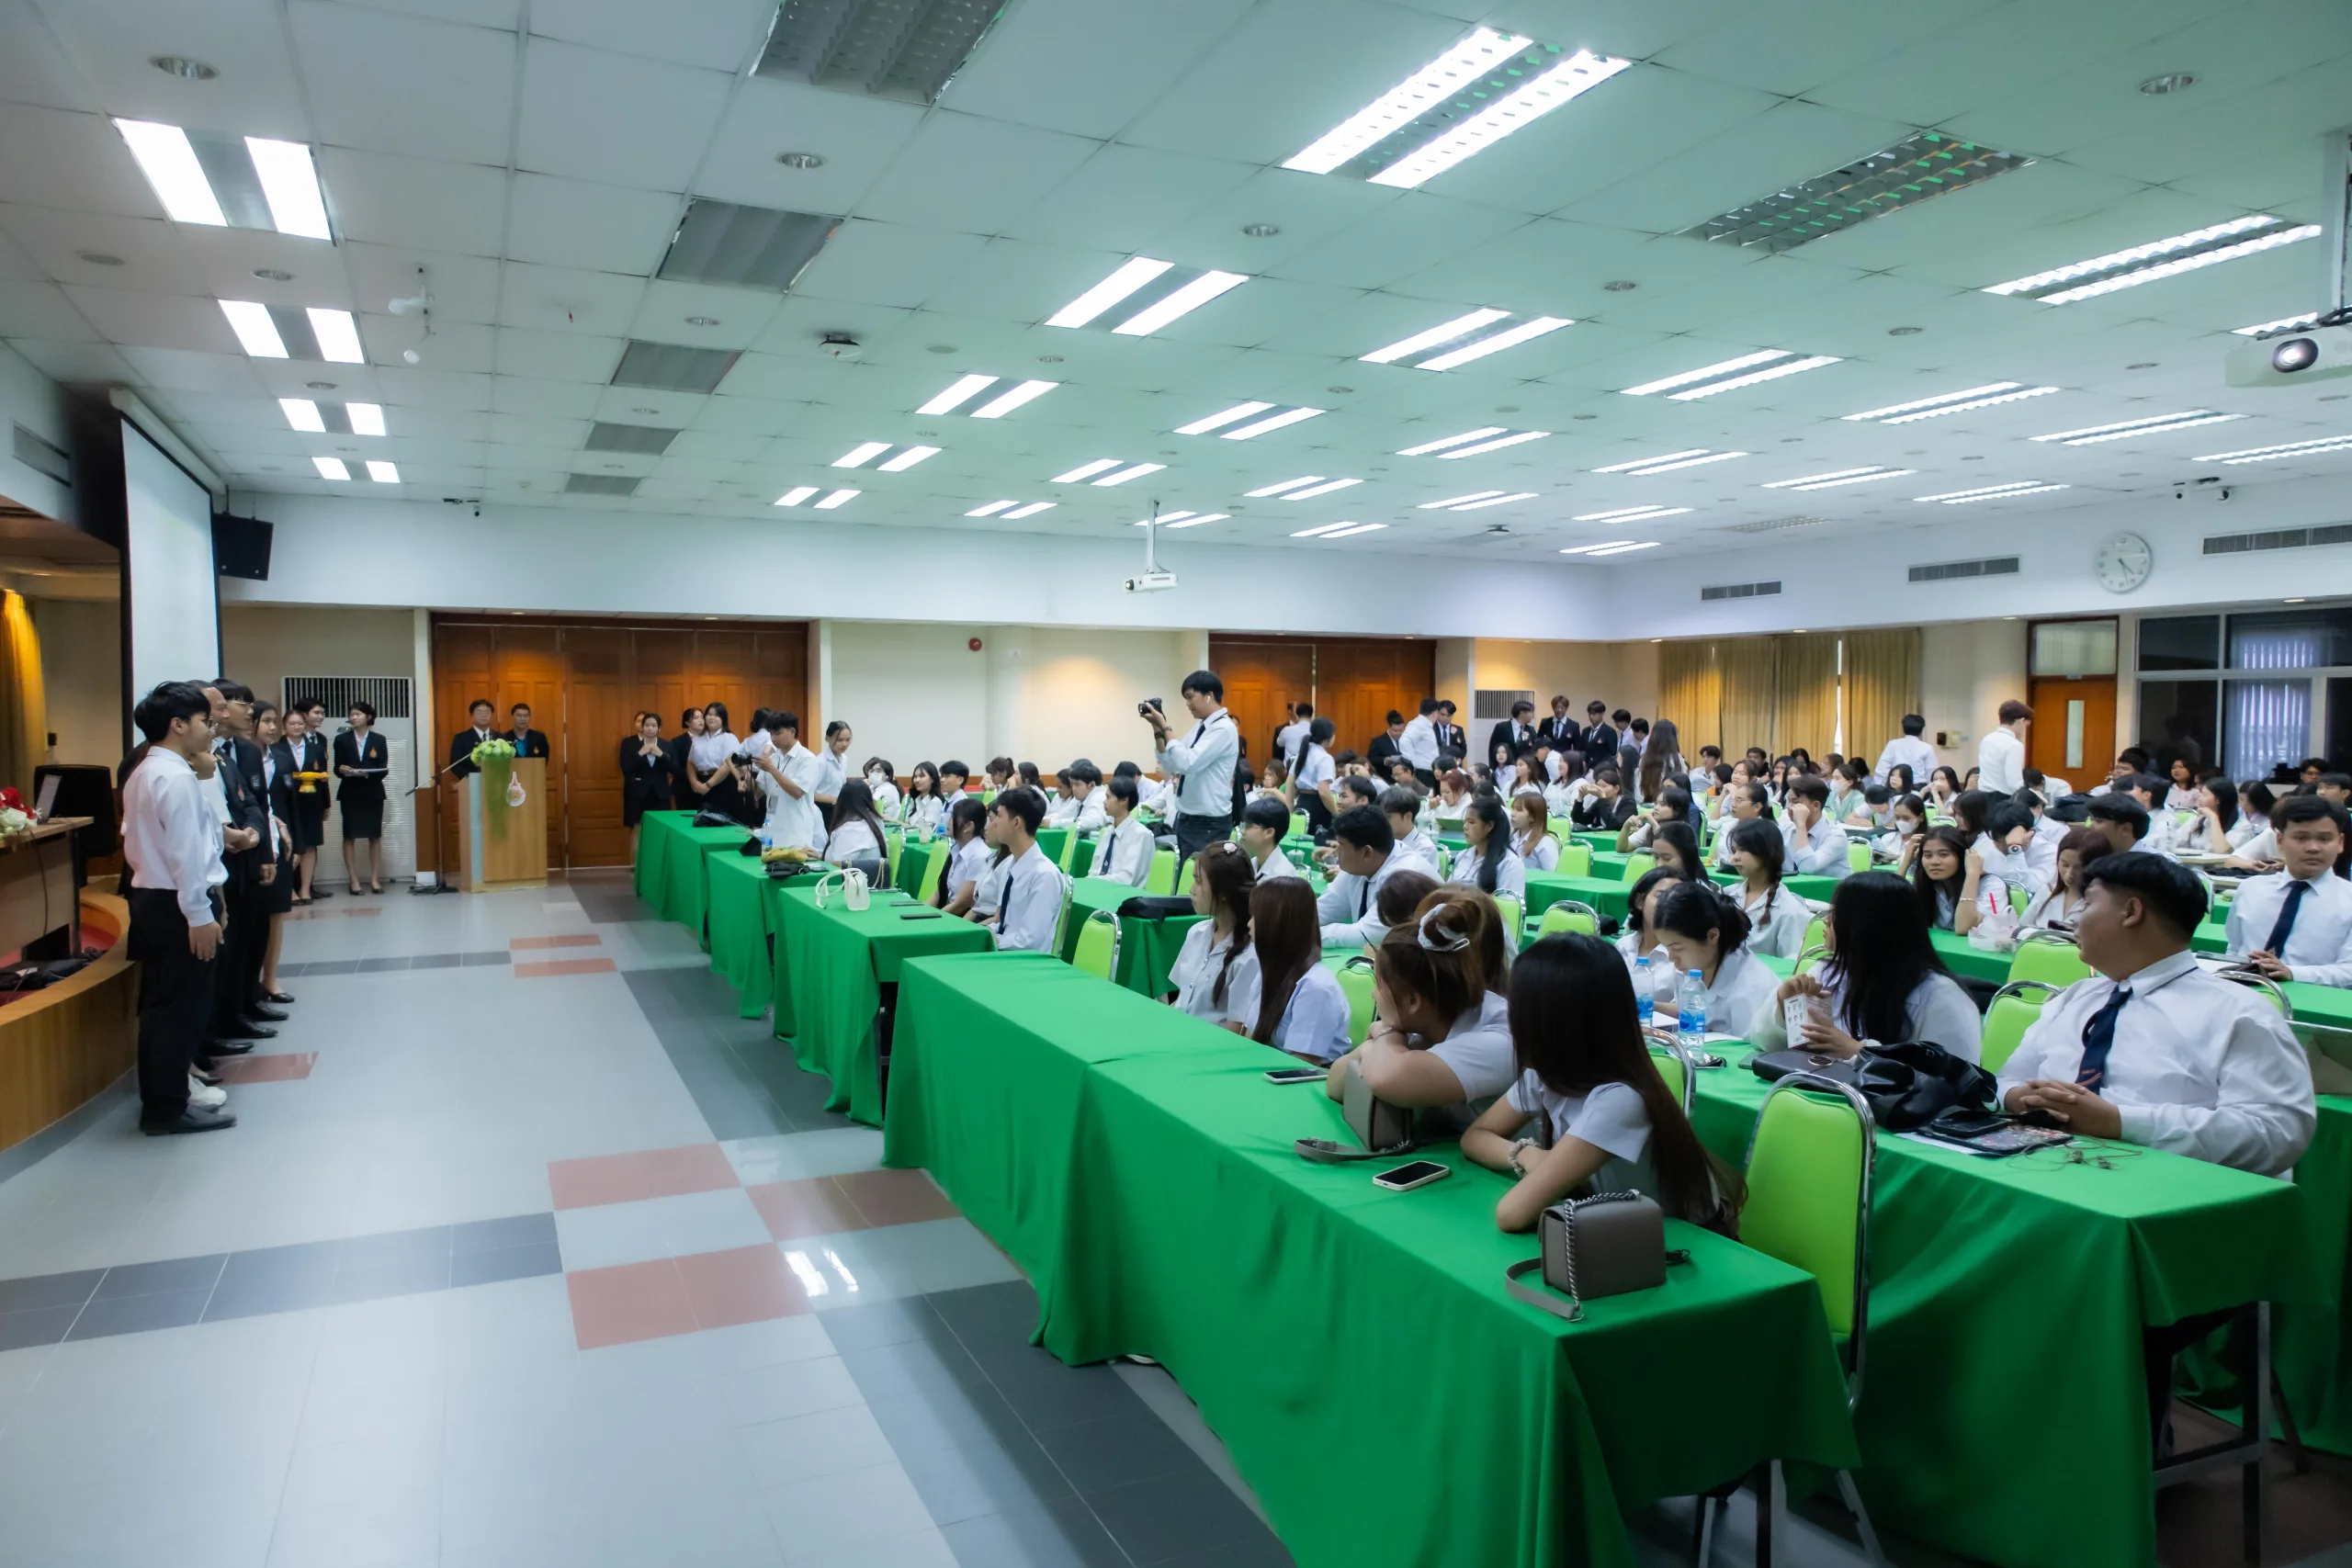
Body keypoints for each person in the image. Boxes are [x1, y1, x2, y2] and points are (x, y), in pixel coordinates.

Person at [1998, 850, 2312, 1172]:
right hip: (2043, 1167)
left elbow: (2276, 1132)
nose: (2075, 919)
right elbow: (2007, 1078)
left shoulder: (2239, 1012)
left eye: (2088, 904)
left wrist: (2118, 1122)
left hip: (2171, 1185)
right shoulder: (2077, 997)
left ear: (2131, 912)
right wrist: (2022, 1098)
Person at [1464, 932, 1739, 1233]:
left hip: (1684, 1245)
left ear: (1551, 1023)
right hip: (1618, 1232)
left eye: (1515, 1010)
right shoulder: (1548, 1072)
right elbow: (1475, 1136)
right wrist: (1528, 1155)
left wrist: (1537, 1163)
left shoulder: (1620, 1099)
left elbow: (1511, 1214)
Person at [122, 682, 235, 1134]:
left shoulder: (146, 770)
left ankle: (165, 1101)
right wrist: (200, 914)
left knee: (163, 1006)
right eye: (204, 721)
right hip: (176, 903)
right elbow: (186, 854)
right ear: (178, 725)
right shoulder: (175, 776)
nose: (210, 729)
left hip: (154, 899)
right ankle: (167, 1107)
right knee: (180, 1009)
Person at [1747, 872, 1983, 1062]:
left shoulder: (1941, 997)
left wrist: (1859, 1052)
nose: (1827, 921)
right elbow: (1765, 1042)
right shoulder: (1829, 971)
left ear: (1868, 927)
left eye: (1839, 914)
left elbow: (1955, 1080)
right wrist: (1784, 1005)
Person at [1328, 891, 1512, 1132]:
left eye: (1379, 986)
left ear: (1413, 1001)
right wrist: (1379, 1044)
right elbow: (1336, 1084)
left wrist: (1385, 1036)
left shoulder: (1497, 1037)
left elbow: (1383, 1078)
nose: (1373, 994)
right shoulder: (1426, 1018)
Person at [205, 680, 277, 1050]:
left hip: (247, 854)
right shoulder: (190, 761)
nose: (248, 711)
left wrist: (257, 840)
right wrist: (236, 835)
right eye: (234, 704)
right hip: (217, 864)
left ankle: (245, 1004)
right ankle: (222, 1021)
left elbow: (253, 802)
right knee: (227, 947)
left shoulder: (237, 753)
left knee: (250, 937)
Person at [2225, 795, 2352, 986]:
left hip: (2313, 999)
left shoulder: (2348, 900)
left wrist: (2292, 973)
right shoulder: (2250, 889)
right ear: (2280, 840)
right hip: (2245, 993)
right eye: (2301, 838)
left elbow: (2349, 970)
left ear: (2340, 842)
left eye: (2325, 839)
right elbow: (2234, 949)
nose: (2313, 848)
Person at [1230, 879, 1351, 1062]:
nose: (1249, 923)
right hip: (1266, 1065)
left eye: (1257, 916)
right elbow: (1250, 1037)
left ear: (1278, 922)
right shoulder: (1268, 972)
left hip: (1300, 1074)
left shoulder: (1316, 989)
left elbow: (1302, 1066)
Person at [1146, 670, 1241, 874]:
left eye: (1190, 697)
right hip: (1187, 819)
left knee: (1202, 880)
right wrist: (1157, 729)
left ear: (1209, 695)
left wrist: (1165, 725)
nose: (1187, 704)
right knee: (1186, 880)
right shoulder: (1200, 727)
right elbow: (1172, 765)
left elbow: (1188, 763)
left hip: (1209, 823)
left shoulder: (1223, 728)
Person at [1648, 881, 1778, 1030]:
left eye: (1677, 948)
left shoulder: (1751, 989)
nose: (1672, 958)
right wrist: (1650, 1006)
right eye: (1666, 947)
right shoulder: (1688, 970)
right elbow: (1691, 1012)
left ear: (1712, 936)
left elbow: (1751, 1043)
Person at [1168, 840, 1259, 1025]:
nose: (1191, 890)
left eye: (1199, 882)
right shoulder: (1196, 932)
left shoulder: (1249, 956)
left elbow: (1235, 1028)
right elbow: (1182, 999)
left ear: (1224, 892)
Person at [971, 790, 1065, 953]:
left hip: (1024, 961)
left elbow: (1029, 941)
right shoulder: (1013, 865)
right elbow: (1006, 924)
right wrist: (984, 932)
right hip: (1003, 951)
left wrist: (993, 939)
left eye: (999, 816)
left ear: (1016, 823)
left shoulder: (1044, 875)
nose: (993, 824)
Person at [1317, 805, 1419, 947]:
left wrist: (1308, 935)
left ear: (1367, 852)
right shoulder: (1360, 864)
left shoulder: (1405, 877)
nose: (1335, 852)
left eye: (1342, 846)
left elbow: (1366, 935)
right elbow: (1323, 909)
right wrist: (1293, 926)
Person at [251, 704, 296, 1002]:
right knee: (254, 916)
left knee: (277, 913)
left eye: (274, 721)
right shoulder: (240, 757)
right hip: (254, 844)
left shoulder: (281, 757)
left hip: (281, 843)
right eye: (266, 721)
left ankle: (270, 979)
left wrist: (296, 842)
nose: (272, 727)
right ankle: (250, 982)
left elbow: (290, 803)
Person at [1725, 817, 1808, 958]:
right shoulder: (1727, 894)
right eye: (1734, 850)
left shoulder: (1789, 910)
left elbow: (1790, 964)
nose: (1735, 858)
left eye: (1743, 850)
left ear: (1766, 853)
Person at [749, 711, 826, 853]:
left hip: (795, 831)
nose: (773, 738)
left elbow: (797, 792)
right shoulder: (773, 759)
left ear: (792, 731)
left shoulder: (807, 758)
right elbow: (758, 791)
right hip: (772, 829)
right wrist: (744, 775)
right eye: (771, 734)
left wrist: (771, 769)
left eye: (778, 733)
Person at [1908, 823, 2007, 935]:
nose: (1934, 862)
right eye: (1928, 855)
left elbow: (1964, 928)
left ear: (1962, 856)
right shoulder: (1929, 885)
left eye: (1944, 855)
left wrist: (1972, 874)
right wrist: (1906, 862)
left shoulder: (1992, 885)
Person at [277, 701, 329, 903]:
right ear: (284, 726)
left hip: (311, 802)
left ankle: (306, 889)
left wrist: (326, 804)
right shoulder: (277, 748)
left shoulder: (316, 748)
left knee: (310, 844)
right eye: (292, 724)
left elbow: (323, 777)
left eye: (300, 723)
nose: (297, 727)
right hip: (287, 802)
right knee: (289, 844)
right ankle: (290, 890)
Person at [1446, 793, 1526, 905]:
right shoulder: (1462, 856)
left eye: (1471, 822)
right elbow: (1446, 892)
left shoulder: (1509, 863)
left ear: (1489, 826)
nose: (1465, 826)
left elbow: (1508, 908)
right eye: (1465, 821)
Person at [2024, 826, 2108, 930]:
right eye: (2065, 865)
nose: (2069, 874)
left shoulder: (2101, 905)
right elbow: (2021, 928)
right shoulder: (2047, 891)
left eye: (2079, 868)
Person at [620, 712, 676, 858]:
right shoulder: (631, 745)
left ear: (659, 728)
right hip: (638, 794)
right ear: (642, 727)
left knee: (661, 830)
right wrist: (640, 754)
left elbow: (676, 769)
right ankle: (635, 867)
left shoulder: (667, 745)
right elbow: (626, 769)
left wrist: (661, 755)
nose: (650, 728)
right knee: (637, 830)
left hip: (660, 795)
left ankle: (658, 864)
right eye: (647, 725)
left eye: (653, 726)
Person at [1780, 776, 1851, 880]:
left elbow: (1807, 867)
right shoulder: (1785, 829)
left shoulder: (1835, 835)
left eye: (1795, 802)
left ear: (1815, 806)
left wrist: (1801, 826)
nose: (1789, 807)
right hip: (1791, 888)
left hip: (1826, 890)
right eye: (1788, 801)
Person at [821, 780, 889, 885]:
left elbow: (839, 867)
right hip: (868, 884)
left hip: (851, 886)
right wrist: (818, 857)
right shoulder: (874, 821)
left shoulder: (851, 829)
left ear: (841, 802)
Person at [1093, 775, 1157, 885]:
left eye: (1109, 797)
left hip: (1127, 893)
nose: (1104, 802)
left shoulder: (1140, 835)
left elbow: (1127, 878)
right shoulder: (1108, 832)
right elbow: (1095, 869)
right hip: (1103, 886)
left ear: (1124, 800)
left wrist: (1095, 881)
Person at [934, 796, 992, 917]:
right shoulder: (956, 849)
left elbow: (961, 905)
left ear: (969, 826)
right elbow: (938, 894)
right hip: (946, 913)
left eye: (953, 817)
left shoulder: (979, 856)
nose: (948, 822)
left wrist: (933, 918)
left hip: (959, 918)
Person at [686, 702, 743, 821]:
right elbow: (690, 762)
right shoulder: (698, 738)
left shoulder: (728, 737)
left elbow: (727, 766)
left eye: (716, 715)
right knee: (700, 820)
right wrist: (694, 782)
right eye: (709, 714)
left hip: (722, 784)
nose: (712, 718)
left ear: (723, 719)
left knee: (718, 820)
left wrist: (708, 785)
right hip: (700, 783)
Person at [1238, 795, 1301, 882]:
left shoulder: (1283, 877)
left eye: (1248, 826)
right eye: (1243, 826)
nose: (1243, 831)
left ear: (1269, 832)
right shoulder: (1252, 863)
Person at [2175, 774, 2239, 857]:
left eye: (2204, 795)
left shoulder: (2241, 826)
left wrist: (2213, 818)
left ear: (2218, 800)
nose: (2200, 798)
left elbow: (2223, 851)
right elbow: (2174, 841)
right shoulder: (2199, 820)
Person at [1978, 698, 2031, 795]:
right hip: (2003, 798)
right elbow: (2014, 784)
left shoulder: (1986, 739)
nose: (2024, 730)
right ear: (2021, 721)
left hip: (1983, 796)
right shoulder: (2014, 745)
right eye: (2026, 725)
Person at [1617, 786, 1690, 852]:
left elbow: (1664, 852)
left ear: (1677, 810)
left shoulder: (1683, 830)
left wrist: (1654, 824)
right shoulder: (1649, 826)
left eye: (1662, 804)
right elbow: (1623, 848)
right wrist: (1626, 826)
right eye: (1656, 803)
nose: (1656, 808)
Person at [1873, 715, 1937, 791]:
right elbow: (1931, 772)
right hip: (1919, 788)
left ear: (1903, 729)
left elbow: (1882, 769)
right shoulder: (1927, 748)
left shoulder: (1893, 744)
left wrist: (1881, 787)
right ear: (1921, 730)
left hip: (1897, 787)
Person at [1046, 760, 1110, 831]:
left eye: (1077, 784)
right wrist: (1042, 820)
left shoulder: (1100, 797)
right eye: (1072, 784)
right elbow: (1063, 814)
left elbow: (1087, 823)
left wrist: (1054, 823)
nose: (1073, 789)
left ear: (1092, 785)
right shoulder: (1080, 797)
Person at [1571, 766, 1635, 831]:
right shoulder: (1600, 802)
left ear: (1616, 788)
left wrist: (1602, 798)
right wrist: (1580, 798)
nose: (1599, 789)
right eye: (1598, 786)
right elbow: (1580, 820)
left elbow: (1614, 825)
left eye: (1604, 786)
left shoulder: (1628, 803)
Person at [1636, 718, 1684, 805]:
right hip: (1671, 805)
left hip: (1646, 805)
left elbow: (1639, 792)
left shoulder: (1644, 759)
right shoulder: (1676, 759)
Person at [447, 697, 497, 777]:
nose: (483, 715)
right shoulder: (461, 738)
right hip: (471, 781)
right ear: (472, 715)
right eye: (479, 712)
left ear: (491, 715)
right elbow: (456, 766)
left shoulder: (500, 737)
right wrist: (472, 778)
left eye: (487, 712)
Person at [809, 720, 853, 812]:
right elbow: (809, 793)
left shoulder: (844, 759)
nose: (844, 744)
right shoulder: (820, 762)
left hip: (838, 808)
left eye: (848, 740)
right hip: (821, 809)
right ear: (827, 738)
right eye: (840, 740)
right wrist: (834, 799)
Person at [1510, 793, 1558, 873]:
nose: (1512, 814)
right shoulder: (1511, 838)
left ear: (1533, 816)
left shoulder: (1545, 843)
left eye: (1519, 810)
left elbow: (1552, 876)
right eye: (1513, 809)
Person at [1489, 699, 1538, 771]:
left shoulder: (1531, 730)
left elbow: (1534, 750)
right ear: (1522, 713)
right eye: (1530, 712)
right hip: (1504, 768)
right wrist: (1492, 768)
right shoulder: (1502, 727)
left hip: (1523, 769)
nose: (1532, 715)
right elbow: (1493, 748)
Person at [904, 761, 946, 835]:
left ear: (932, 779)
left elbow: (927, 832)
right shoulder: (914, 800)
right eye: (915, 777)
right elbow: (907, 824)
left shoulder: (935, 802)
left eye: (921, 776)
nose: (917, 780)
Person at [863, 757, 901, 821]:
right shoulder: (876, 787)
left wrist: (863, 788)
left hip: (888, 824)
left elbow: (867, 806)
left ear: (887, 776)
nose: (873, 774)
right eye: (872, 771)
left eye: (878, 771)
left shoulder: (887, 788)